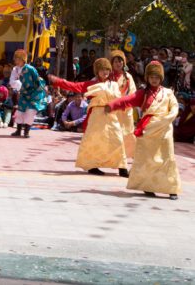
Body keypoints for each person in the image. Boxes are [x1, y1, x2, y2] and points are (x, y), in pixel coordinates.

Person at [106, 61, 181, 200]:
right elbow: (126, 100)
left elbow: (175, 108)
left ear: (161, 78)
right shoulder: (142, 93)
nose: (154, 80)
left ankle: (171, 189)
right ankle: (147, 186)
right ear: (147, 78)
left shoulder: (168, 93)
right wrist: (112, 105)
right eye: (151, 77)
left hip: (164, 130)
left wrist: (167, 119)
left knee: (167, 159)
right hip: (148, 131)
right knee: (148, 160)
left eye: (157, 77)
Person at [49, 58, 127, 177]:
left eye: (107, 69)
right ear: (97, 72)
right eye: (102, 70)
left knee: (117, 139)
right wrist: (58, 81)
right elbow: (74, 86)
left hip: (111, 115)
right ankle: (92, 165)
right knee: (94, 141)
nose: (105, 72)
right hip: (97, 115)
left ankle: (122, 167)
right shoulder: (91, 84)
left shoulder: (114, 84)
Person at [9, 49, 46, 138]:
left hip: (33, 93)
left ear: (22, 59)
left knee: (30, 112)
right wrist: (19, 85)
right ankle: (18, 131)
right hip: (23, 93)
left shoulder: (31, 69)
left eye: (16, 58)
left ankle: (26, 132)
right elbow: (12, 81)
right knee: (20, 111)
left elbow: (37, 80)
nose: (14, 60)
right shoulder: (15, 69)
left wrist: (38, 91)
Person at [110, 50, 137, 158]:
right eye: (115, 61)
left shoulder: (128, 77)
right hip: (112, 109)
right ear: (111, 63)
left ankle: (128, 154)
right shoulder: (109, 76)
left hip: (125, 109)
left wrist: (124, 102)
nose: (118, 63)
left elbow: (133, 92)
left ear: (124, 63)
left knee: (128, 133)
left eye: (120, 61)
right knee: (113, 133)